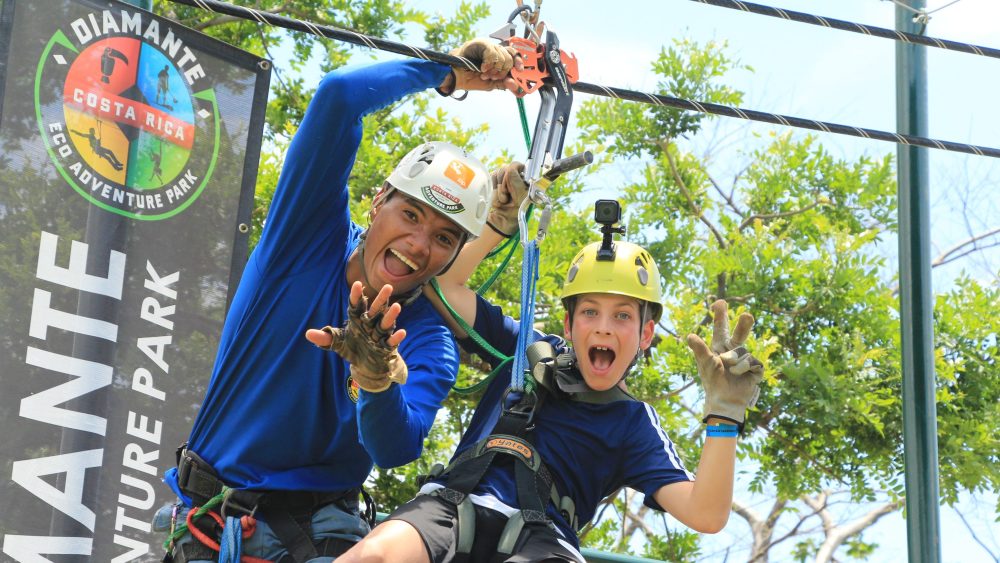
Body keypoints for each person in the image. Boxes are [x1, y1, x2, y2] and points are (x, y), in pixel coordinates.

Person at [159, 38, 526, 562]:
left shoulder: (428, 340)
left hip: (309, 543)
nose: (419, 244)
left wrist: (377, 382)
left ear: (453, 257)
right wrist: (446, 74)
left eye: (445, 238)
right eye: (412, 215)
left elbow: (396, 447)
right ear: (379, 202)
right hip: (204, 530)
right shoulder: (306, 238)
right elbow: (337, 97)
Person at [339, 206, 765, 562]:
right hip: (450, 504)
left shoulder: (633, 422)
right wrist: (497, 224)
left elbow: (705, 514)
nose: (603, 328)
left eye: (622, 316)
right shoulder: (530, 348)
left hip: (542, 539)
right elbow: (444, 288)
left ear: (645, 335)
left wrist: (724, 415)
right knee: (372, 557)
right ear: (569, 323)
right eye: (589, 312)